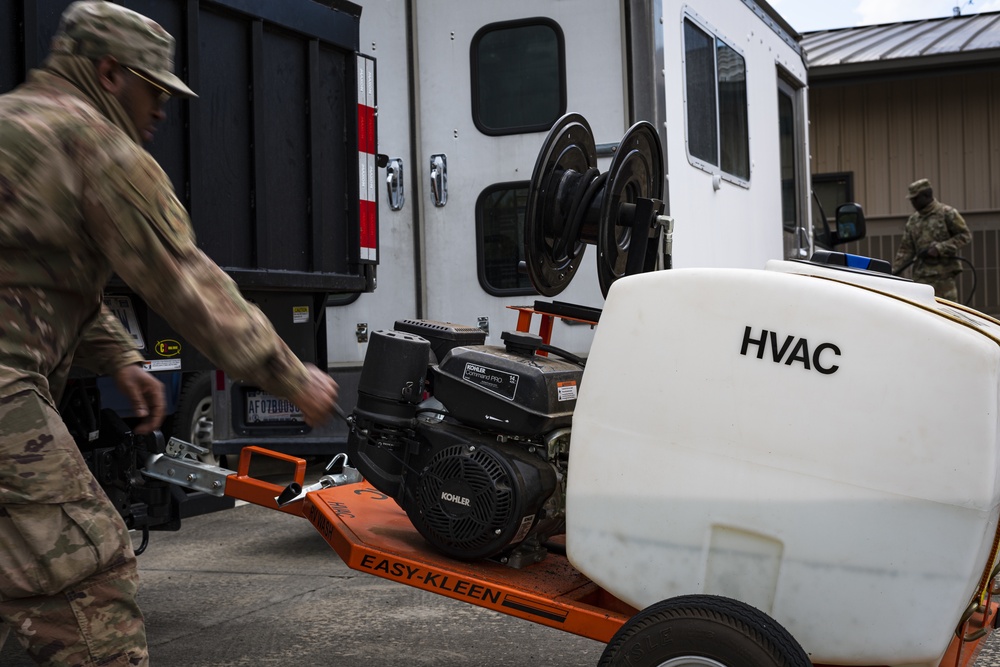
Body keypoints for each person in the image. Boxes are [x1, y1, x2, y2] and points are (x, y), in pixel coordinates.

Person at [0, 1, 339, 665]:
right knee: (86, 579)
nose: (161, 112)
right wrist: (291, 376)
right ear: (108, 72)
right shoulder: (96, 144)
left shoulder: (16, 122)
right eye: (154, 92)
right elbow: (184, 279)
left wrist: (121, 357)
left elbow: (35, 280)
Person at [891, 178, 972, 301]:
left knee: (947, 314)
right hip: (921, 279)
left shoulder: (946, 213)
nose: (913, 202)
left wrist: (940, 248)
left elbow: (965, 235)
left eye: (916, 198)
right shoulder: (913, 221)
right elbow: (905, 250)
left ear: (927, 195)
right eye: (911, 199)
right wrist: (893, 273)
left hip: (943, 278)